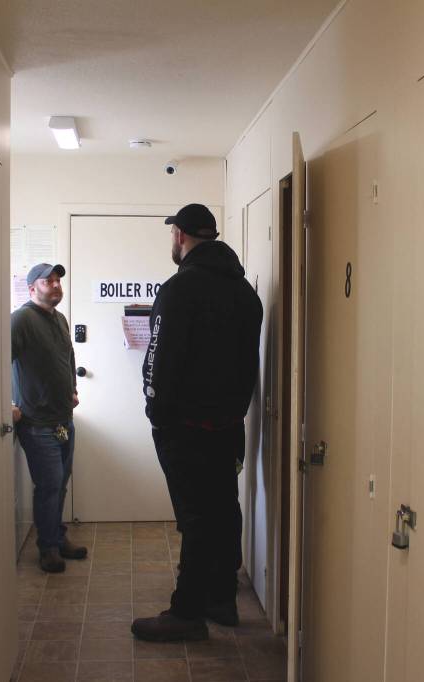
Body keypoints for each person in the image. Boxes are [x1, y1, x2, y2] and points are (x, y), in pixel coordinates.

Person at [132, 204, 263, 642]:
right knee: (224, 508)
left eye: (174, 234)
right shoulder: (245, 293)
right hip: (228, 427)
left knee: (195, 518)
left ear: (181, 236)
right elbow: (249, 365)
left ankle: (187, 613)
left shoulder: (178, 290)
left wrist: (156, 413)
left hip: (184, 429)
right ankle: (221, 599)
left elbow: (158, 363)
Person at [11, 263, 88, 573]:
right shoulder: (21, 320)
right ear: (32, 289)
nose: (56, 285)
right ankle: (48, 549)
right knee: (49, 485)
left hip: (63, 418)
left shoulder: (60, 319)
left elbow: (68, 356)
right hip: (37, 422)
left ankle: (57, 537)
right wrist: (7, 403)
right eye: (48, 281)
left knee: (60, 484)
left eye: (58, 280)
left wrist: (72, 387)